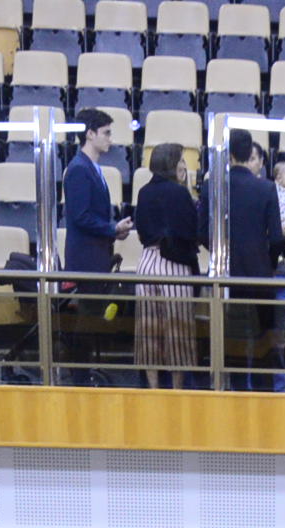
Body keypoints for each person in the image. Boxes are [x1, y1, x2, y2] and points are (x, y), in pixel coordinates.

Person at [132, 141, 204, 386]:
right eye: (181, 160)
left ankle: (152, 388)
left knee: (148, 332)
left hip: (146, 263)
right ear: (172, 164)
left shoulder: (143, 192)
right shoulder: (180, 193)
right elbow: (192, 231)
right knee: (178, 332)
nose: (184, 165)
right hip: (174, 265)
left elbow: (141, 230)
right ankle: (176, 389)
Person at [222, 130, 285, 392]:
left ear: (229, 154)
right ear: (250, 153)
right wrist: (267, 263)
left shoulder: (217, 186)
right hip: (261, 275)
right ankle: (264, 395)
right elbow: (277, 238)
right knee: (264, 339)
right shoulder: (266, 187)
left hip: (227, 275)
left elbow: (203, 232)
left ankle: (236, 394)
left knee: (234, 340)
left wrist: (224, 256)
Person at [59, 107, 121, 277]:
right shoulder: (79, 169)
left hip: (94, 257)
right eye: (106, 133)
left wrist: (113, 231)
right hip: (85, 260)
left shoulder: (89, 167)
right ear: (90, 134)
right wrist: (113, 229)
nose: (110, 139)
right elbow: (82, 217)